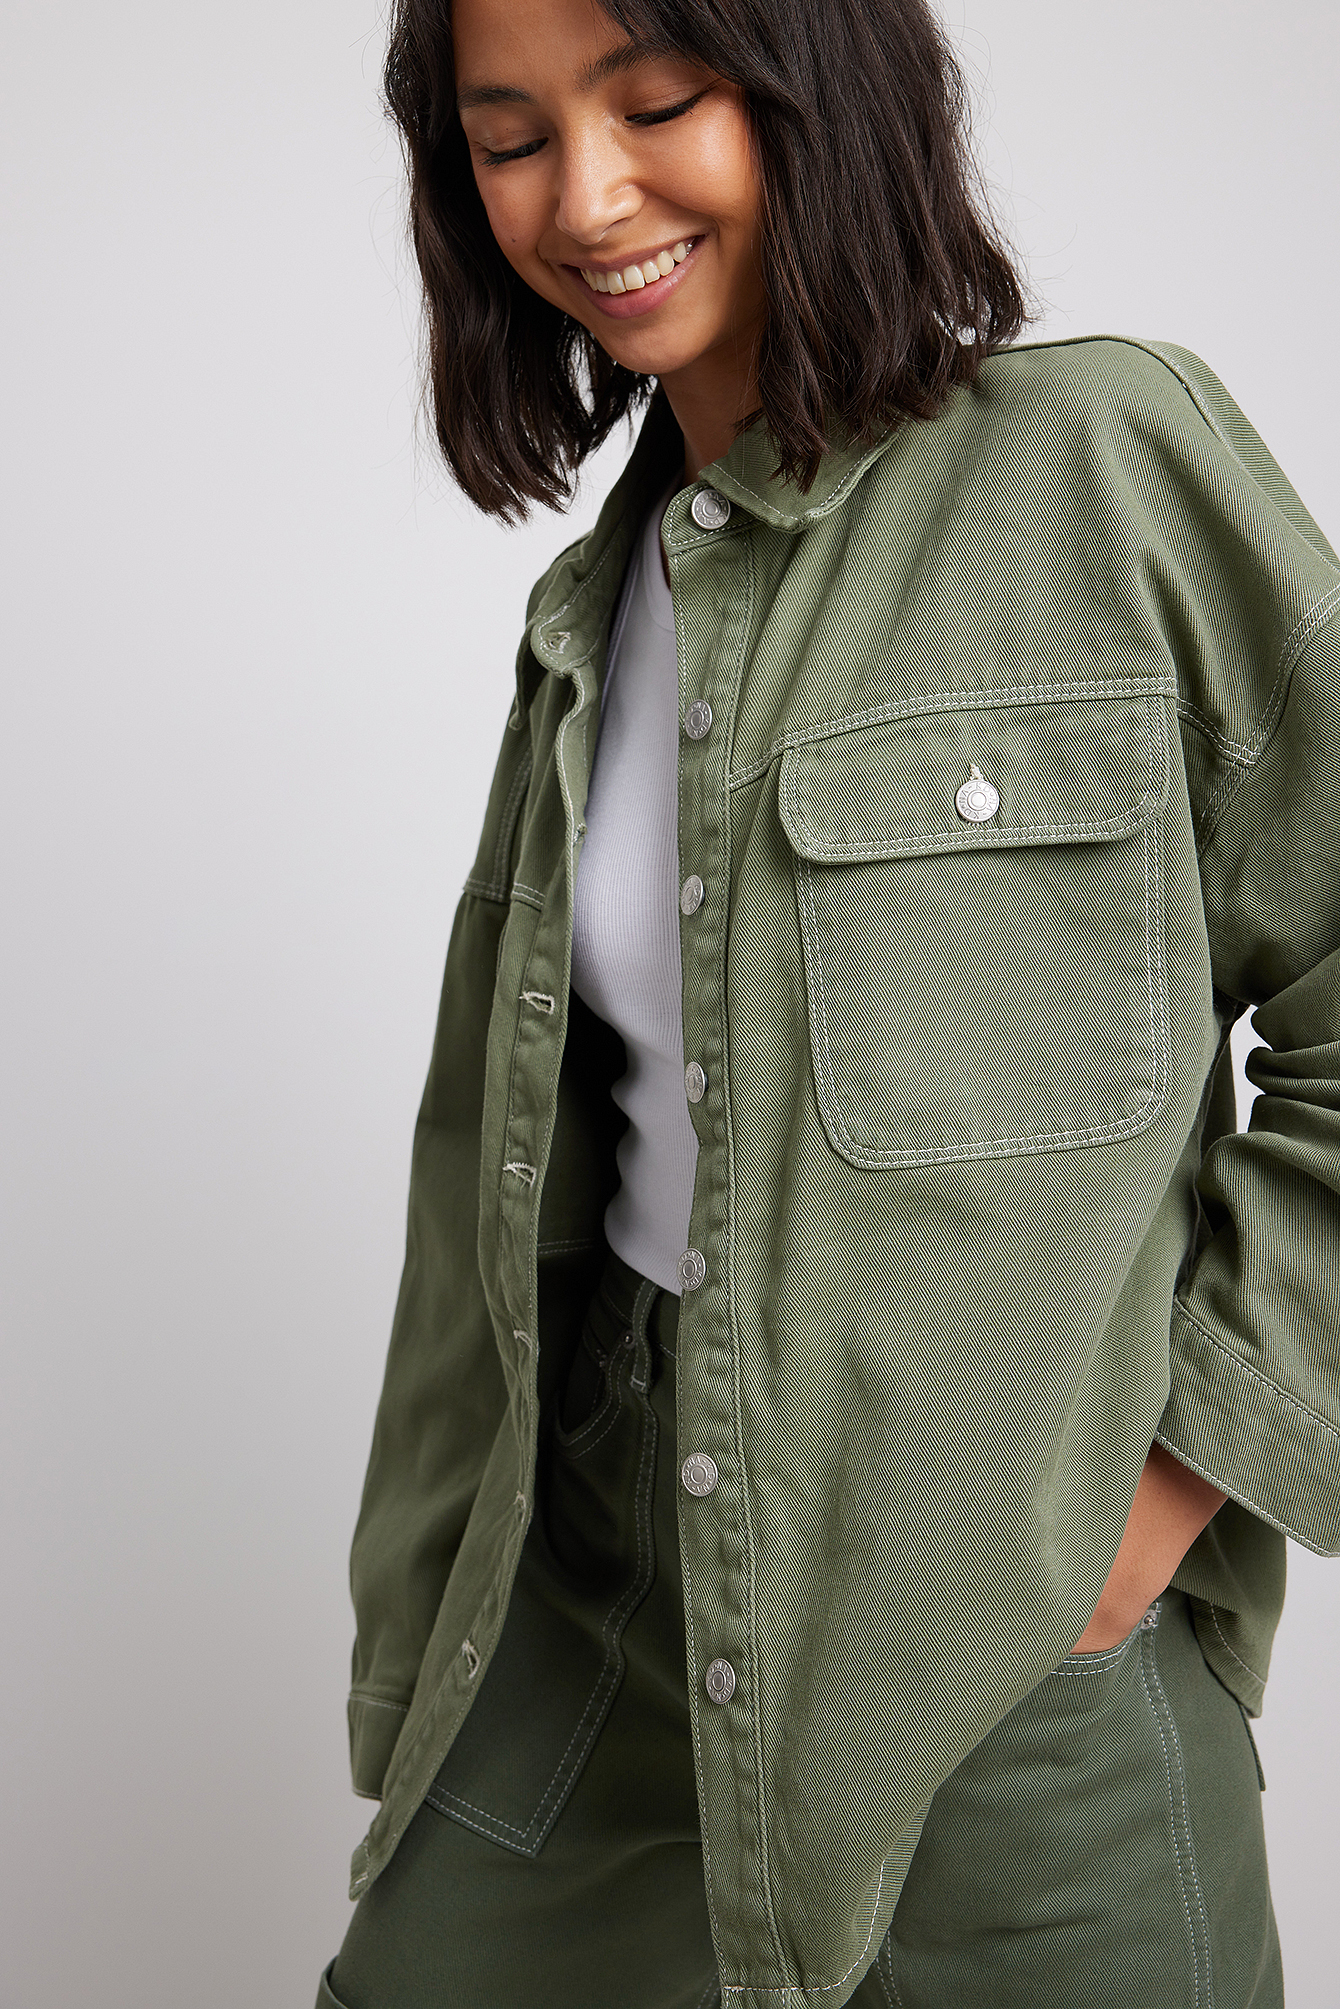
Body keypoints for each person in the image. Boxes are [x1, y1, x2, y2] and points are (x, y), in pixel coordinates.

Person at [317, 0, 1340, 2002]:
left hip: (1009, 1637)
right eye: (509, 139)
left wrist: (1168, 1486)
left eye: (656, 103)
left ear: (820, 92)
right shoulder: (594, 614)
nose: (584, 197)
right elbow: (502, 1176)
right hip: (599, 1583)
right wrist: (423, 1625)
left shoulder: (1108, 465)